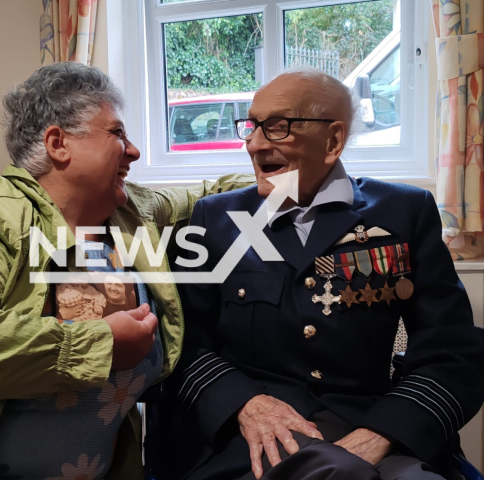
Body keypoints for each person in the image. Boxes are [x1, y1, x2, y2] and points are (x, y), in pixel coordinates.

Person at [0, 62, 252, 479]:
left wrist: (290, 174)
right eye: (117, 133)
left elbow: (214, 194)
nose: (133, 150)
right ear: (58, 143)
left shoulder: (133, 211)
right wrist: (100, 347)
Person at [164, 68, 484, 480]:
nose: (255, 144)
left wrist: (383, 432)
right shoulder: (215, 218)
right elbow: (182, 345)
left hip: (373, 430)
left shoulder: (405, 212)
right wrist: (245, 404)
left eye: (278, 128)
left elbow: (452, 350)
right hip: (254, 441)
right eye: (251, 126)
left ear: (333, 140)